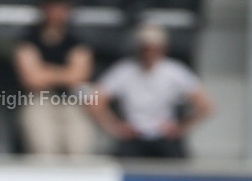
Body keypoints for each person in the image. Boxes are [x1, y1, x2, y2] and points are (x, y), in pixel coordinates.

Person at [88, 23, 211, 158]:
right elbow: (94, 101)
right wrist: (115, 127)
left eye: (154, 48)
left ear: (163, 49)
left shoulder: (175, 71)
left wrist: (181, 126)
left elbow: (205, 105)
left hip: (164, 137)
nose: (149, 53)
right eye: (146, 48)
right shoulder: (123, 70)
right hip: (133, 137)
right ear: (138, 48)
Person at [13, 0, 95, 156]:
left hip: (71, 101)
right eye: (52, 8)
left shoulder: (77, 43)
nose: (56, 13)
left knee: (80, 148)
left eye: (60, 8)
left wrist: (44, 70)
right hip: (40, 99)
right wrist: (65, 73)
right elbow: (32, 79)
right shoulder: (28, 41)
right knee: (43, 148)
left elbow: (79, 77)